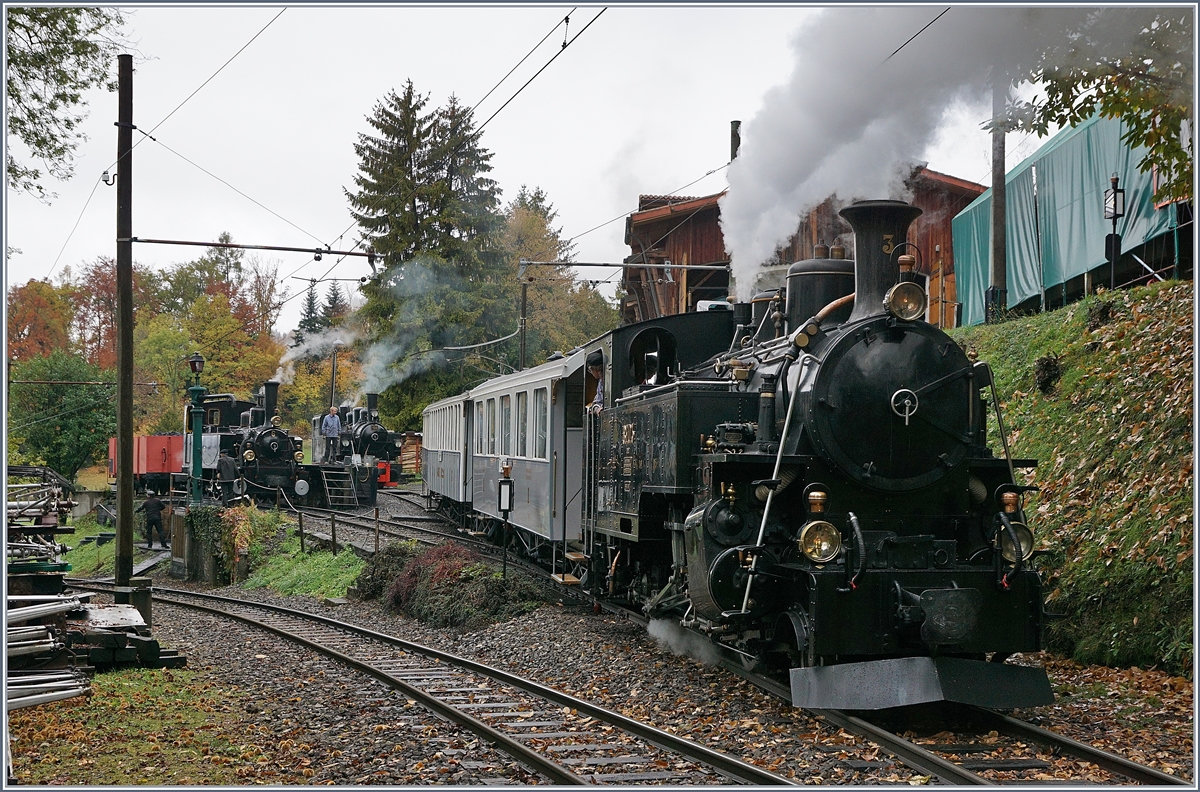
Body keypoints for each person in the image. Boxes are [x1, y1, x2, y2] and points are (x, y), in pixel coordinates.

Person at [586, 351, 604, 415]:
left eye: (590, 371)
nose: (591, 373)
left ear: (595, 370)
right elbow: (597, 401)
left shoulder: (602, 382)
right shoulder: (600, 382)